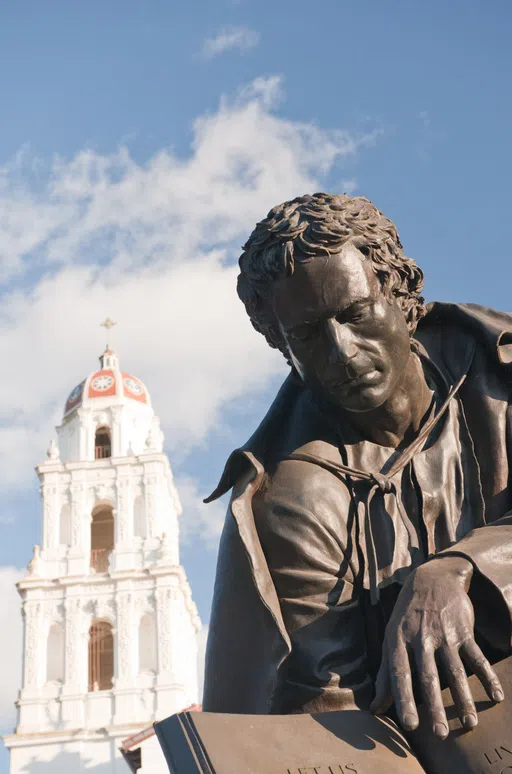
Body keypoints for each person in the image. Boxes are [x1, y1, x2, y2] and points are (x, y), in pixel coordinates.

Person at [203, 193, 512, 741]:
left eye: (355, 314)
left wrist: (458, 567)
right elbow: (331, 711)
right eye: (306, 335)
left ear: (402, 297)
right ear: (282, 346)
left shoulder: (503, 381)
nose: (341, 351)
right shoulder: (293, 501)